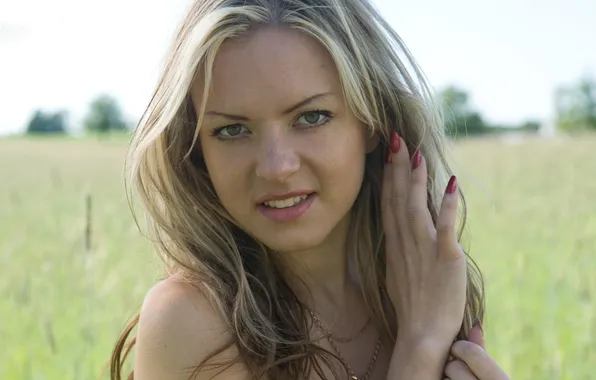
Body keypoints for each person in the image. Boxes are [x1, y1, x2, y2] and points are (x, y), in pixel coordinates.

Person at [109, 0, 510, 379]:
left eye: (311, 117)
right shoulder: (189, 319)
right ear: (196, 152)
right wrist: (419, 354)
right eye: (232, 130)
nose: (276, 167)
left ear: (371, 121)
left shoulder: (421, 287)